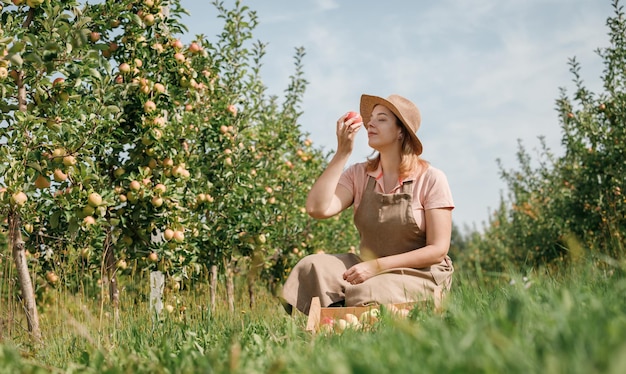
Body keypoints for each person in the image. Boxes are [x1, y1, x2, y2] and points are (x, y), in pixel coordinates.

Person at [281, 94, 455, 315]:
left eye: (381, 119)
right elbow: (318, 208)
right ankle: (338, 320)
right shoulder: (359, 174)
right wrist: (342, 153)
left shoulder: (431, 178)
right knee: (312, 266)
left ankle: (350, 314)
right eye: (370, 118)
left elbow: (438, 250)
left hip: (418, 272)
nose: (369, 123)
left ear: (401, 131)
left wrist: (376, 267)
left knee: (370, 288)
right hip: (368, 265)